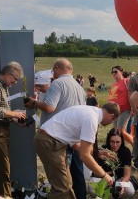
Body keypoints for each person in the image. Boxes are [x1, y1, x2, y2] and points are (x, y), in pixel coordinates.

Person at [25, 58, 87, 199]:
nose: (53, 74)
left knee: (60, 181)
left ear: (58, 68)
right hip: (74, 136)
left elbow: (49, 107)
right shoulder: (79, 86)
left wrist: (34, 103)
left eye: (54, 71)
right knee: (75, 175)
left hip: (57, 138)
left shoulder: (57, 83)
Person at [34, 102, 120, 199]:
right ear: (111, 116)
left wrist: (96, 152)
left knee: (67, 183)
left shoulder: (89, 112)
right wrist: (104, 175)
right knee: (62, 188)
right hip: (49, 142)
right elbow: (84, 156)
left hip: (50, 140)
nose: (110, 124)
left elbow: (75, 144)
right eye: (113, 121)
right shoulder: (92, 119)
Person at [0, 61, 27, 198]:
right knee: (3, 167)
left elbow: (3, 111)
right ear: (8, 74)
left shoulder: (2, 86)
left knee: (0, 165)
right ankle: (6, 196)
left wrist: (15, 121)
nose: (15, 82)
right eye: (15, 79)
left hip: (0, 129)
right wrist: (15, 114)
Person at [93, 128, 135, 198]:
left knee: (129, 191)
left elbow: (127, 175)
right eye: (112, 141)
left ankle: (116, 194)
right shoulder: (103, 151)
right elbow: (95, 173)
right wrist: (106, 175)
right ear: (108, 141)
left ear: (122, 141)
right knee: (93, 190)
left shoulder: (126, 152)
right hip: (104, 179)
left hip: (119, 180)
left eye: (118, 142)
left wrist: (122, 184)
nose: (115, 145)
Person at [108, 65, 133, 145]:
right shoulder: (113, 85)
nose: (114, 73)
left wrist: (132, 106)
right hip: (115, 112)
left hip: (124, 109)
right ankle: (119, 148)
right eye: (112, 72)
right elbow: (111, 96)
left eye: (116, 71)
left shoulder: (126, 81)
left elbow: (132, 93)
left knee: (120, 131)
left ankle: (135, 145)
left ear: (121, 72)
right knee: (116, 132)